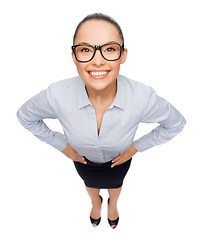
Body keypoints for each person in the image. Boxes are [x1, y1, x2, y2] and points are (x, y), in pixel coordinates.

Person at [16, 13, 186, 229]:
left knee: (116, 185)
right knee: (90, 184)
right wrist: (61, 145)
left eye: (110, 49)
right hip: (82, 160)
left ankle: (113, 204)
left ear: (123, 55)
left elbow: (176, 123)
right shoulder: (55, 95)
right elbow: (25, 116)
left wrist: (136, 147)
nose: (98, 61)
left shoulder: (143, 98)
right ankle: (95, 202)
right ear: (74, 55)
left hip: (120, 160)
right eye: (86, 50)